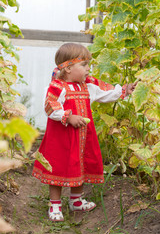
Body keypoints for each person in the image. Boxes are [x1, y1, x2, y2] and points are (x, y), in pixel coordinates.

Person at [32, 43, 136, 222]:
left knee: (80, 164)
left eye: (89, 64)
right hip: (62, 139)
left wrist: (124, 90)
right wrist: (68, 116)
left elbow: (106, 93)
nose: (89, 69)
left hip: (82, 137)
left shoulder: (88, 85)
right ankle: (55, 204)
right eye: (84, 65)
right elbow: (50, 106)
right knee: (57, 167)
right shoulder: (58, 86)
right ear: (68, 68)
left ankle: (76, 201)